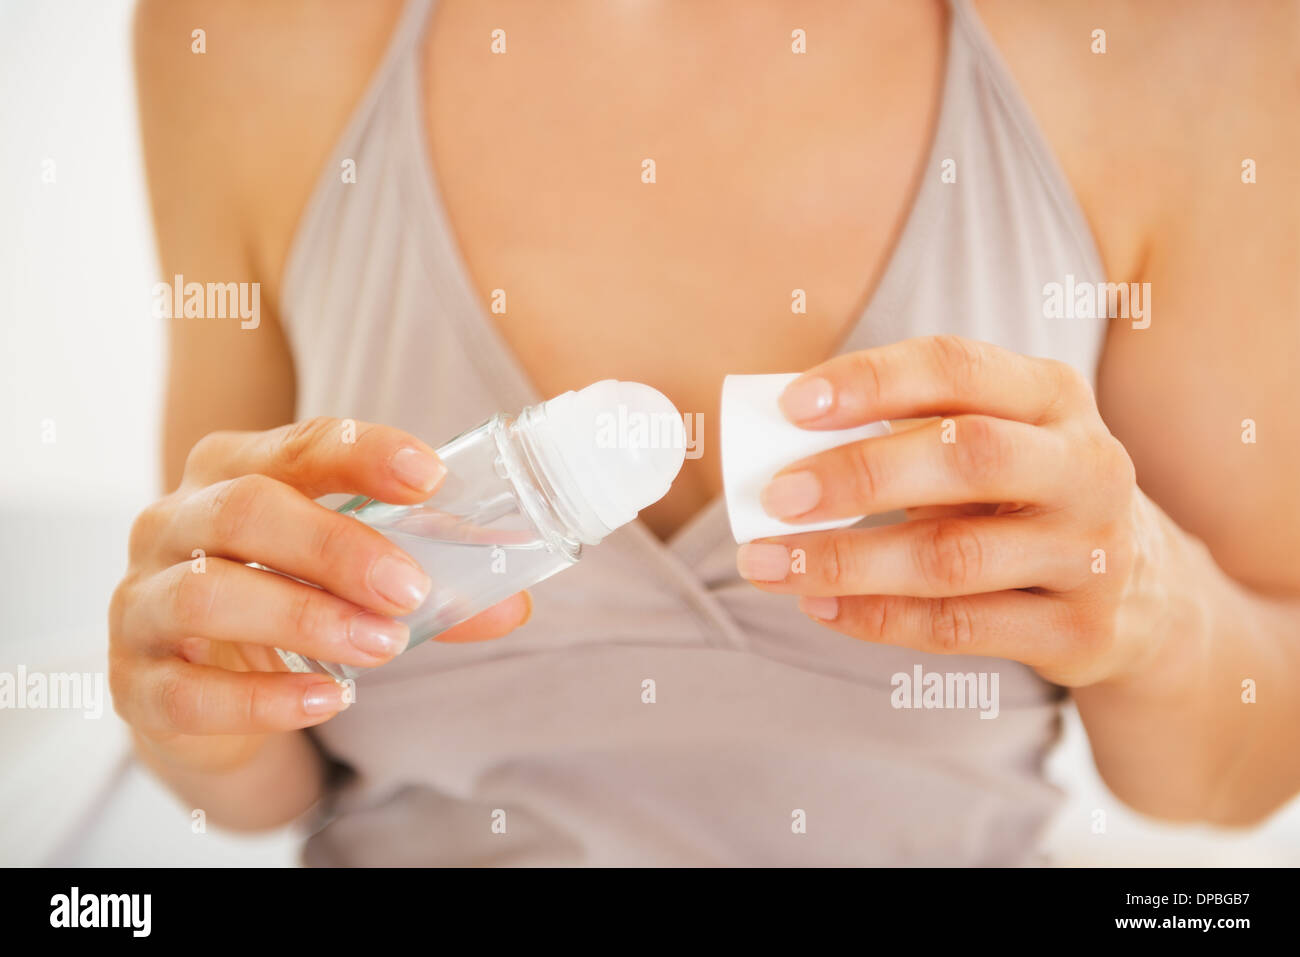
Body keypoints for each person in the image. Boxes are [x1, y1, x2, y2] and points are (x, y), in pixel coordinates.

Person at [112, 0, 1300, 864]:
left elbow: (1246, 768)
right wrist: (197, 704)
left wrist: (1152, 609)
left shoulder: (1186, 42)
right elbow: (252, 747)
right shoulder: (247, 38)